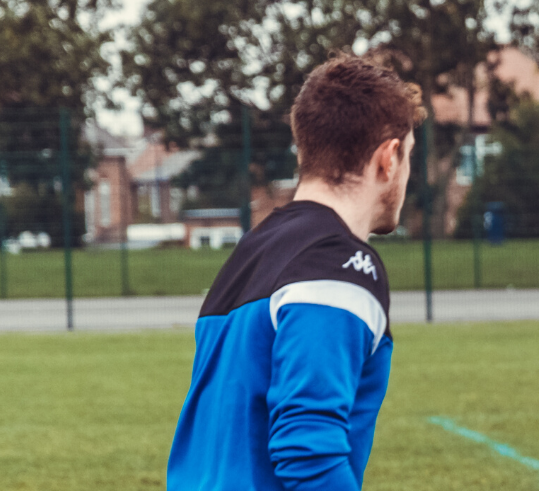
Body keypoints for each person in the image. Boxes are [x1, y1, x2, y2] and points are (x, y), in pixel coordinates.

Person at [167, 55, 422, 490]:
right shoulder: (338, 262)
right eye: (410, 156)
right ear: (389, 158)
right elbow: (308, 451)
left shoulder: (252, 250)